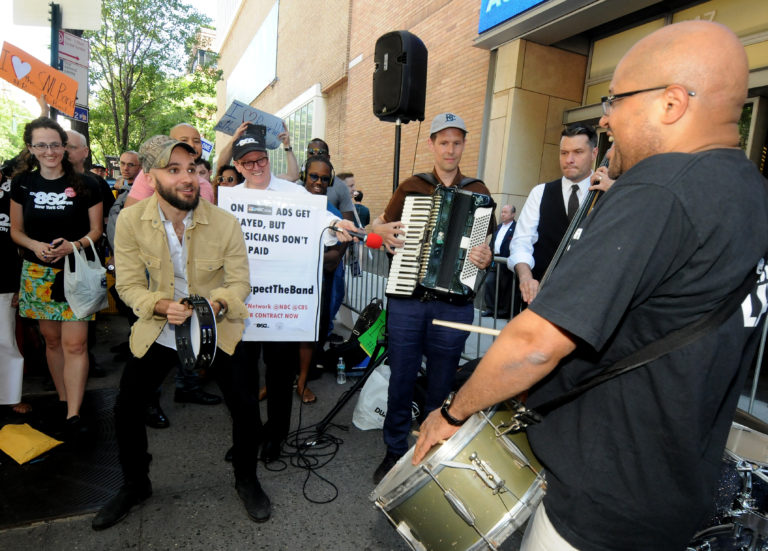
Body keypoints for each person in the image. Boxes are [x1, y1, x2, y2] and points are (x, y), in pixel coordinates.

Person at [414, 21, 768, 551]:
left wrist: (452, 413)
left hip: (601, 501)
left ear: (671, 103)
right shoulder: (751, 191)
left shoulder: (659, 190)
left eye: (616, 99)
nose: (605, 119)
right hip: (672, 491)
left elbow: (533, 346)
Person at [91, 134, 264, 529]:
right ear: (151, 179)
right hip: (159, 326)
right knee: (127, 408)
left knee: (246, 407)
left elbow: (240, 283)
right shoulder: (131, 221)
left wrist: (214, 305)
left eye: (191, 169)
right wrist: (158, 305)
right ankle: (135, 485)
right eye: (174, 170)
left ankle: (246, 478)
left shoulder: (224, 222)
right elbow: (129, 285)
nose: (187, 178)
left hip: (217, 327)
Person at [371, 112, 494, 483]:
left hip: (454, 304)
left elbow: (482, 250)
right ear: (432, 145)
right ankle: (395, 449)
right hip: (409, 300)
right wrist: (382, 234)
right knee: (402, 378)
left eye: (457, 142)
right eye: (444, 142)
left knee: (442, 384)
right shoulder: (412, 186)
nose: (450, 149)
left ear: (463, 146)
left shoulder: (479, 191)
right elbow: (377, 234)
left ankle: (430, 449)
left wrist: (484, 259)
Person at [227, 124, 355, 463]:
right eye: (247, 162)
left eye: (260, 160)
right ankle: (249, 434)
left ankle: (276, 436)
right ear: (238, 166)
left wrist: (336, 228)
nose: (256, 167)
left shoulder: (294, 194)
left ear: (268, 158)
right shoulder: (229, 201)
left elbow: (322, 230)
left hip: (282, 303)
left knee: (279, 373)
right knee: (244, 377)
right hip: (243, 305)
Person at [10, 117, 103, 437]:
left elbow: (97, 231)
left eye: (55, 144)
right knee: (51, 340)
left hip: (76, 272)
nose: (49, 151)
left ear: (65, 147)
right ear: (31, 148)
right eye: (41, 145)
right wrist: (35, 245)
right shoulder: (22, 183)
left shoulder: (88, 184)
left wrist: (72, 246)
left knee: (74, 344)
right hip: (37, 272)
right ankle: (64, 402)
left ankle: (74, 414)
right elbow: (16, 231)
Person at [507, 124, 598, 305]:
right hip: (542, 298)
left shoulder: (608, 193)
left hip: (590, 301)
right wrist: (526, 277)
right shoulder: (540, 192)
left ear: (594, 154)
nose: (569, 159)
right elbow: (521, 242)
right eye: (564, 153)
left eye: (578, 152)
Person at [296, 155, 348, 404]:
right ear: (305, 175)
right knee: (282, 337)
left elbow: (334, 258)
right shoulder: (289, 203)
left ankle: (302, 382)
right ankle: (276, 384)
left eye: (325, 178)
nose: (318, 182)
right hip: (288, 282)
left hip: (319, 284)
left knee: (312, 334)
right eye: (314, 176)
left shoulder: (334, 213)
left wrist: (301, 252)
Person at [123, 123, 215, 208]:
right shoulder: (151, 174)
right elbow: (130, 218)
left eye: (196, 141)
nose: (192, 145)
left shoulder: (206, 186)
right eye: (184, 140)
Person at [0, 162, 27, 414]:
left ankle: (9, 397)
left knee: (5, 341)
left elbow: (20, 241)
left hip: (5, 279)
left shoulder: (12, 192)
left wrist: (19, 284)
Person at [481, 204, 516, 318]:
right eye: (502, 212)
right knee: (489, 282)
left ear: (513, 214)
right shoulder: (499, 227)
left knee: (504, 286)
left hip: (506, 261)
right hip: (495, 259)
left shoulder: (516, 228)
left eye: (505, 212)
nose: (502, 214)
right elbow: (493, 242)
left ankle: (503, 312)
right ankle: (490, 308)